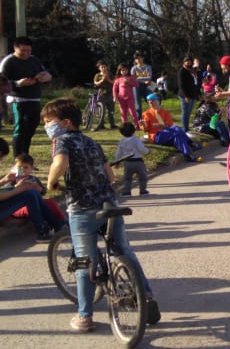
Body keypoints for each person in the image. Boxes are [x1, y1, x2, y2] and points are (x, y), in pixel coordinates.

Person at [42, 98, 159, 332]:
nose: (46, 126)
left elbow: (60, 163)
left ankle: (84, 316)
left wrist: (51, 182)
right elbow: (111, 176)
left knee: (85, 262)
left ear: (65, 123)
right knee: (123, 250)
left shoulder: (61, 141)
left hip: (82, 208)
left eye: (48, 122)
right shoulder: (91, 142)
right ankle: (146, 296)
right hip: (108, 204)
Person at [0, 36, 52, 157]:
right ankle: (18, 158)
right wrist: (18, 83)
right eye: (23, 51)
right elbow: (0, 82)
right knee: (21, 127)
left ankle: (25, 157)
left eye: (28, 50)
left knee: (31, 129)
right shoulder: (8, 61)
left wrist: (47, 77)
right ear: (15, 49)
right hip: (17, 99)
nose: (26, 53)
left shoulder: (34, 60)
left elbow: (45, 72)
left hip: (34, 98)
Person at [8, 153, 66, 224]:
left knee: (51, 202)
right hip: (17, 207)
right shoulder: (12, 179)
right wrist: (17, 186)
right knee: (33, 208)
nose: (23, 170)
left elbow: (43, 191)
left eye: (26, 167)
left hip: (37, 203)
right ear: (14, 168)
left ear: (31, 169)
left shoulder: (33, 179)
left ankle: (61, 220)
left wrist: (40, 189)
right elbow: (7, 192)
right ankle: (43, 226)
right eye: (19, 167)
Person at [142, 93, 196, 160]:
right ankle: (190, 143)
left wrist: (162, 125)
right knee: (176, 132)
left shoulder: (165, 112)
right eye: (148, 100)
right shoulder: (146, 114)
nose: (150, 102)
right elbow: (145, 130)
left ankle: (188, 155)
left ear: (158, 101)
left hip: (167, 132)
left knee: (177, 136)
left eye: (153, 100)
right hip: (156, 136)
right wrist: (144, 125)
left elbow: (169, 126)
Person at [113, 121, 149, 196]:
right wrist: (147, 151)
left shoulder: (122, 141)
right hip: (138, 162)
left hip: (128, 162)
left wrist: (117, 161)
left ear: (121, 133)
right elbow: (141, 148)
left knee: (127, 178)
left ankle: (127, 191)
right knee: (142, 177)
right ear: (133, 131)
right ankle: (143, 191)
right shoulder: (136, 140)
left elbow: (119, 153)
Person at [177, 56, 200, 131]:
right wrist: (186, 96)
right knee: (185, 112)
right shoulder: (182, 71)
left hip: (192, 94)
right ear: (184, 62)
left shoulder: (192, 71)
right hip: (185, 95)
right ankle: (184, 129)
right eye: (187, 61)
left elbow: (196, 83)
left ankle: (186, 127)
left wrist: (197, 94)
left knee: (188, 112)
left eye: (190, 61)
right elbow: (181, 85)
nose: (189, 62)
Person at [91, 60, 116, 130]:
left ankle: (112, 124)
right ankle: (101, 125)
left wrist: (107, 79)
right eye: (102, 67)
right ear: (99, 68)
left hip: (110, 94)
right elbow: (95, 83)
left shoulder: (110, 74)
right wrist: (102, 80)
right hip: (101, 94)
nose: (103, 68)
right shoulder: (97, 75)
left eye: (104, 67)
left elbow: (114, 82)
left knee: (111, 111)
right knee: (102, 111)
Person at [130, 52, 152, 118]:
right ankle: (138, 120)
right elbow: (133, 79)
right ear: (135, 60)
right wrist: (144, 80)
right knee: (138, 105)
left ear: (143, 58)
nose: (138, 59)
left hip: (146, 86)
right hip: (136, 87)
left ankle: (153, 117)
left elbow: (149, 77)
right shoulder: (133, 68)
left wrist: (138, 78)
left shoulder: (148, 67)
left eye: (140, 58)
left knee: (151, 100)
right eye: (136, 58)